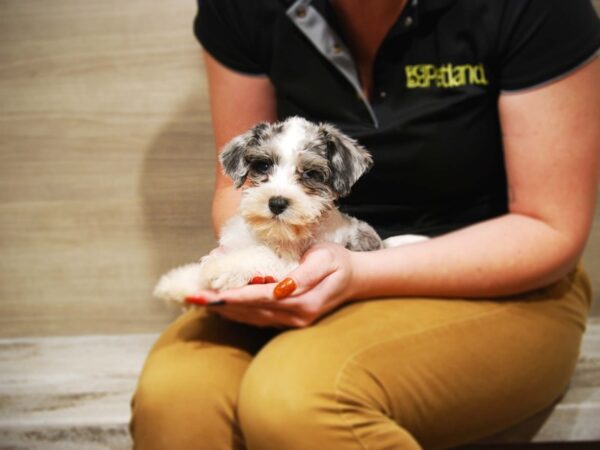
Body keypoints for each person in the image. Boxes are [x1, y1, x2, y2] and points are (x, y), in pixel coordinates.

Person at [130, 0, 600, 448]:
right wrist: (251, 259)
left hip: (499, 280)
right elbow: (237, 185)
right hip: (301, 264)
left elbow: (548, 226)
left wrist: (356, 273)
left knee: (296, 398)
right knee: (175, 399)